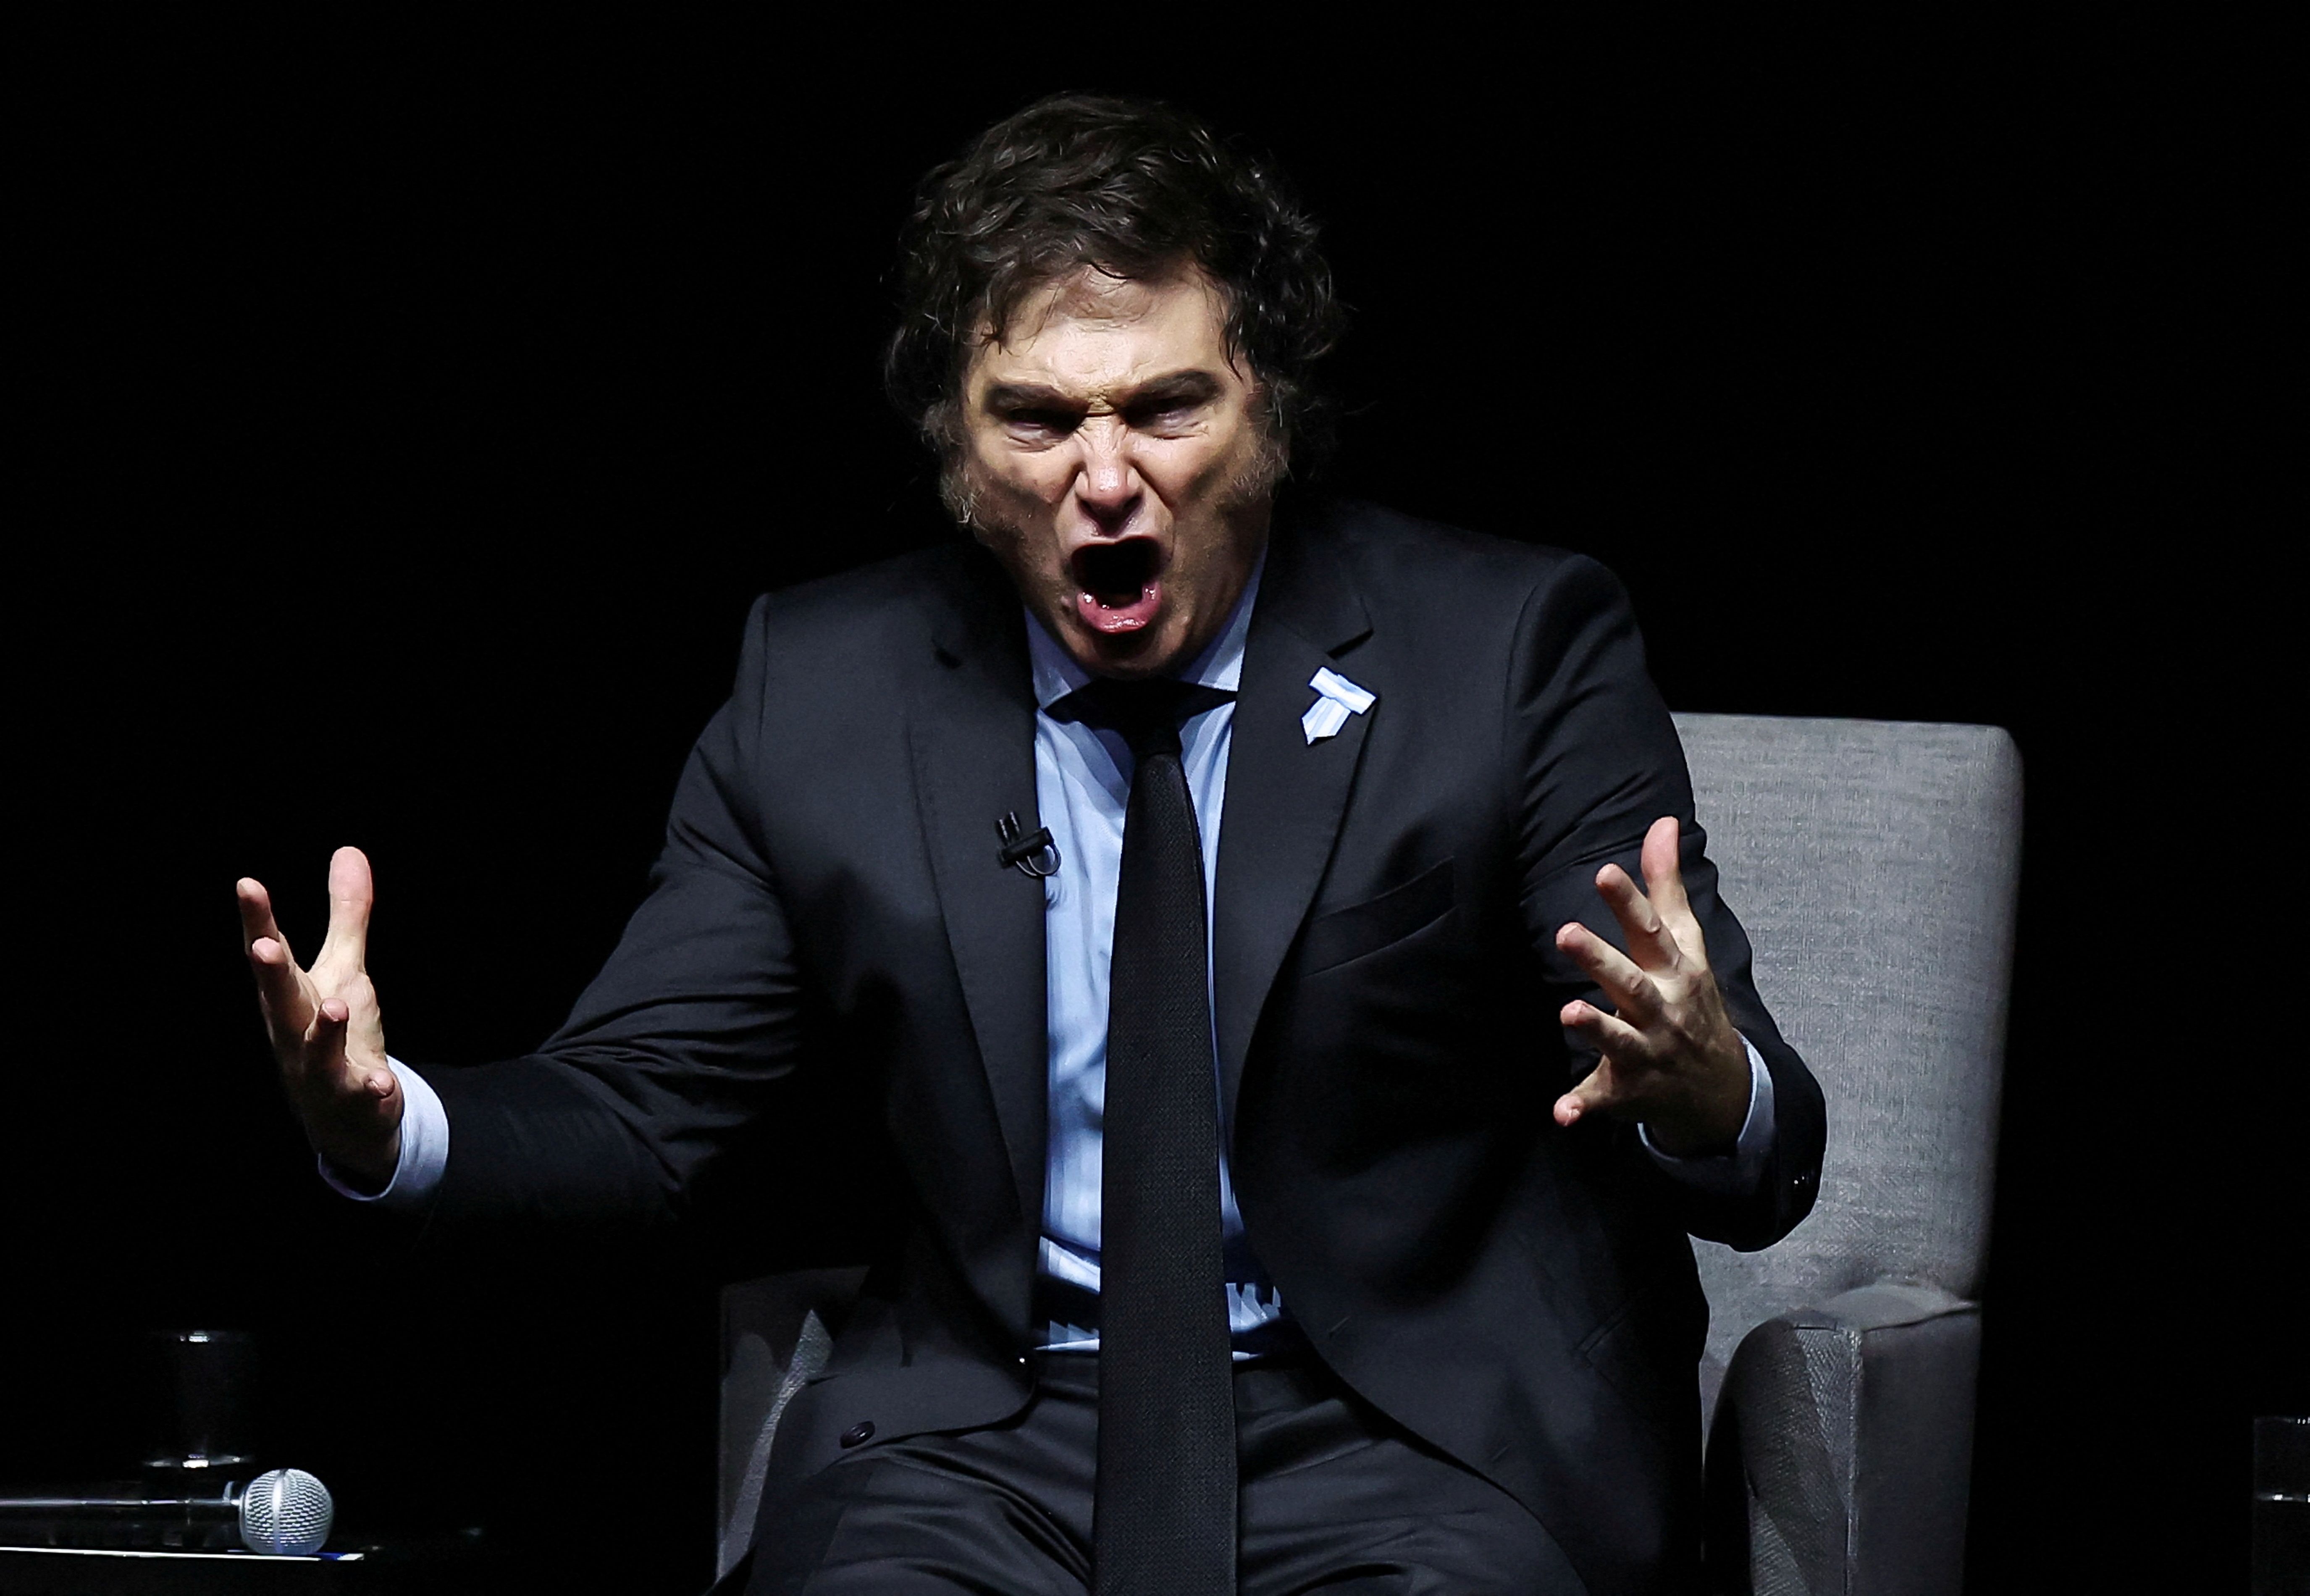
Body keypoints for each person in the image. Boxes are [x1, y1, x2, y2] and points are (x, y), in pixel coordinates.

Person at [236, 94, 1824, 1595]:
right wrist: (391, 1125)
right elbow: (643, 1108)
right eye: (1040, 421)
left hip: (1415, 1425)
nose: (1107, 480)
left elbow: (1742, 1110)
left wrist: (1706, 1098)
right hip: (994, 1433)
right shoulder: (825, 688)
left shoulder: (1509, 644)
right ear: (956, 447)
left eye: (1166, 408)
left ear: (1266, 408)